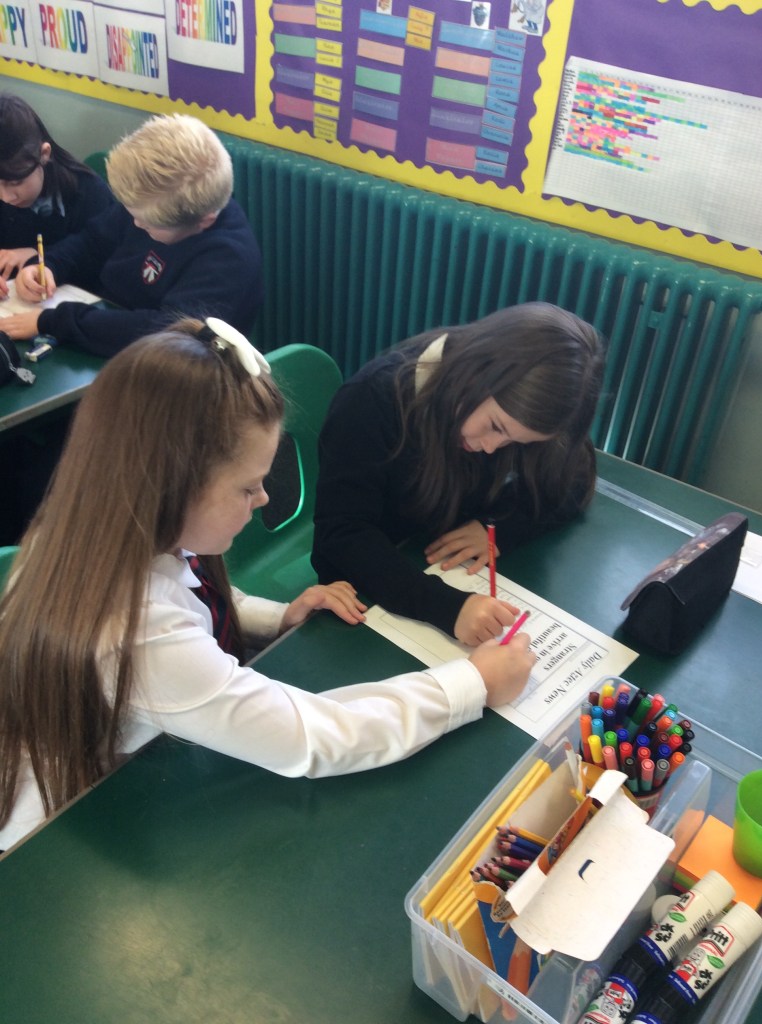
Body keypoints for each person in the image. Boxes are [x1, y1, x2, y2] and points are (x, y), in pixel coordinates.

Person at [0, 317, 535, 852]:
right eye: (249, 487)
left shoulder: (103, 526)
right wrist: (473, 684)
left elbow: (192, 591)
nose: (263, 500)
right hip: (61, 836)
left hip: (119, 772)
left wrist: (275, 617)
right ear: (170, 486)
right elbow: (315, 737)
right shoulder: (138, 634)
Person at [311, 302, 605, 647]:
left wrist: (499, 529)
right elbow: (342, 534)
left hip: (440, 561)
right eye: (496, 427)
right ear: (475, 374)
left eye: (515, 442)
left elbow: (574, 476)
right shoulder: (371, 400)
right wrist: (448, 607)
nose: (492, 447)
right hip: (361, 597)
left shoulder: (525, 409)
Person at [0, 113, 262, 357]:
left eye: (147, 225)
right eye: (131, 212)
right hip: (106, 331)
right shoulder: (151, 202)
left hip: (173, 369)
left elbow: (167, 332)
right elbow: (92, 242)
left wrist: (55, 321)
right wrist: (48, 266)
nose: (135, 223)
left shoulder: (228, 259)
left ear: (205, 221)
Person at [0, 93, 115, 289]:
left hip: (69, 297)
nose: (6, 197)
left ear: (44, 154)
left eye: (16, 182)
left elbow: (99, 258)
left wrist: (37, 256)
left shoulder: (88, 193)